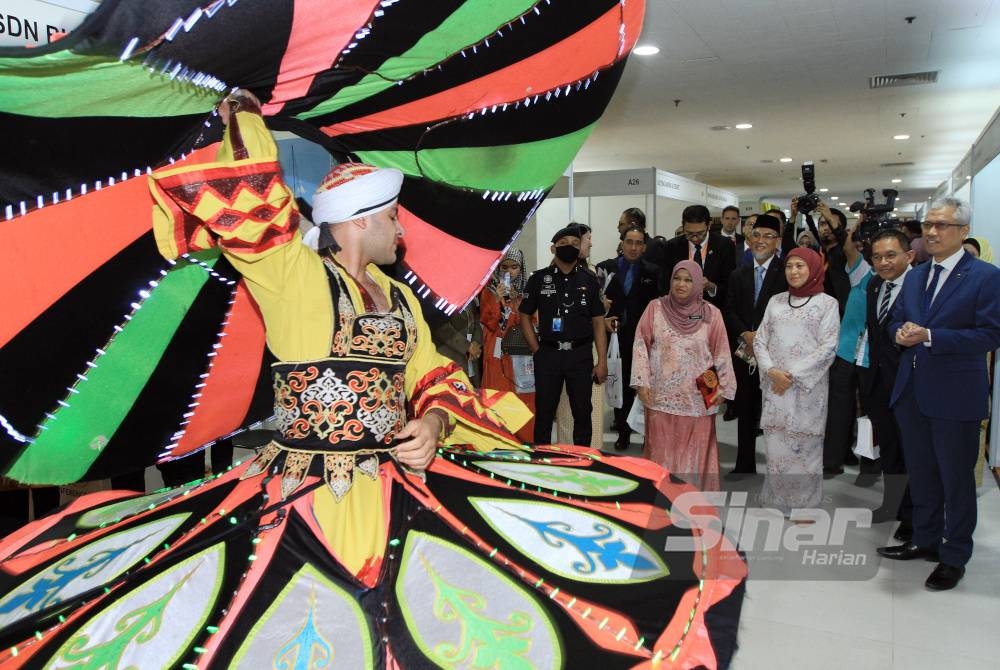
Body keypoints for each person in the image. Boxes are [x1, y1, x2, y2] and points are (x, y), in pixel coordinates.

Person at [0, 90, 749, 666]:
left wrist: (432, 423)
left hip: (397, 476)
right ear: (358, 220)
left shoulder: (397, 299)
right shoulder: (294, 277)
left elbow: (431, 375)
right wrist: (245, 119)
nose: (403, 230)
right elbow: (253, 211)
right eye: (394, 217)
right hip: (305, 488)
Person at [878, 197, 1000, 591]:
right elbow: (898, 319)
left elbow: (991, 333)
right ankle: (925, 540)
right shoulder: (915, 275)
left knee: (956, 480)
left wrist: (931, 336)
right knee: (924, 475)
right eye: (928, 224)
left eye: (942, 225)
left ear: (963, 231)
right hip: (912, 392)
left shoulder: (985, 276)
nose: (931, 232)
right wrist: (898, 332)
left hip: (955, 395)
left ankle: (954, 554)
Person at [631, 261, 735, 490]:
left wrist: (724, 388)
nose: (681, 284)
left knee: (695, 456)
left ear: (698, 283)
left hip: (698, 397)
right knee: (661, 452)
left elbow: (721, 352)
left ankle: (694, 507)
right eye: (677, 278)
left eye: (688, 280)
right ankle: (660, 504)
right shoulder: (655, 308)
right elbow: (641, 345)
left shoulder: (711, 314)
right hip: (660, 396)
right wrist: (641, 382)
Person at [753, 247, 840, 518]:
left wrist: (790, 376)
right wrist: (770, 371)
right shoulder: (776, 301)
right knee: (776, 446)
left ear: (814, 268)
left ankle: (805, 507)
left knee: (806, 448)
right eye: (790, 266)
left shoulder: (827, 304)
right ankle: (776, 501)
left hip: (806, 390)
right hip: (775, 387)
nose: (794, 271)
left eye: (800, 266)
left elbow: (828, 347)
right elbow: (759, 339)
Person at [520, 225, 607, 446]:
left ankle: (582, 462)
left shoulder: (589, 279)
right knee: (545, 413)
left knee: (583, 412)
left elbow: (598, 322)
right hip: (548, 354)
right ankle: (541, 460)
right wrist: (536, 350)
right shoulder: (539, 279)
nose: (569, 247)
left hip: (580, 355)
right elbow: (524, 315)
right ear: (553, 248)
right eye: (563, 244)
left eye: (575, 244)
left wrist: (602, 362)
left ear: (580, 249)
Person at [723, 214, 788, 477]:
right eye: (757, 235)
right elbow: (729, 309)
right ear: (749, 240)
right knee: (746, 408)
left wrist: (760, 336)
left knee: (775, 412)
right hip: (745, 352)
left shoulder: (786, 272)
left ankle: (778, 467)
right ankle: (744, 464)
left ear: (778, 242)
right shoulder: (738, 273)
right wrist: (745, 334)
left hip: (776, 355)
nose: (761, 241)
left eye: (768, 236)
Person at [863, 229, 916, 540]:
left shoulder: (921, 286)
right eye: (877, 257)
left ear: (908, 255)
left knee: (913, 451)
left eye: (890, 255)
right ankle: (893, 505)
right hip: (879, 381)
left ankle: (914, 515)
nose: (883, 262)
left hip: (910, 383)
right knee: (891, 448)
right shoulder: (873, 285)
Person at [598, 226, 661, 450]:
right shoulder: (605, 268)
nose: (634, 247)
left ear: (644, 246)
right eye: (630, 242)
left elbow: (658, 307)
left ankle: (647, 436)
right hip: (615, 337)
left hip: (645, 339)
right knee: (620, 385)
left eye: (639, 243)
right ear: (622, 243)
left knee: (644, 386)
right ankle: (623, 431)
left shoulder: (653, 271)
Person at [479, 248, 534, 443]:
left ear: (521, 269)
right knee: (496, 397)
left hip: (522, 356)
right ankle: (497, 442)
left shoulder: (528, 293)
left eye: (514, 267)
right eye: (504, 267)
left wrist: (517, 303)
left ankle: (524, 442)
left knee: (524, 398)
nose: (509, 272)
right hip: (496, 355)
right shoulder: (489, 290)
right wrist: (497, 299)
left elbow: (533, 323)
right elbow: (488, 322)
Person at [659, 205, 736, 308]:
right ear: (683, 226)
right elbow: (664, 284)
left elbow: (730, 285)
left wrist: (711, 287)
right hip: (680, 310)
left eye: (700, 233)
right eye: (689, 233)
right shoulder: (671, 247)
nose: (695, 238)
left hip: (713, 309)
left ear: (709, 225)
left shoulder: (725, 246)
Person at [430, 299, 483, 384]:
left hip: (471, 358)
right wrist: (467, 346)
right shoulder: (438, 299)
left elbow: (476, 321)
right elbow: (442, 329)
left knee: (473, 390)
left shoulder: (468, 297)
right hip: (451, 358)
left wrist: (476, 342)